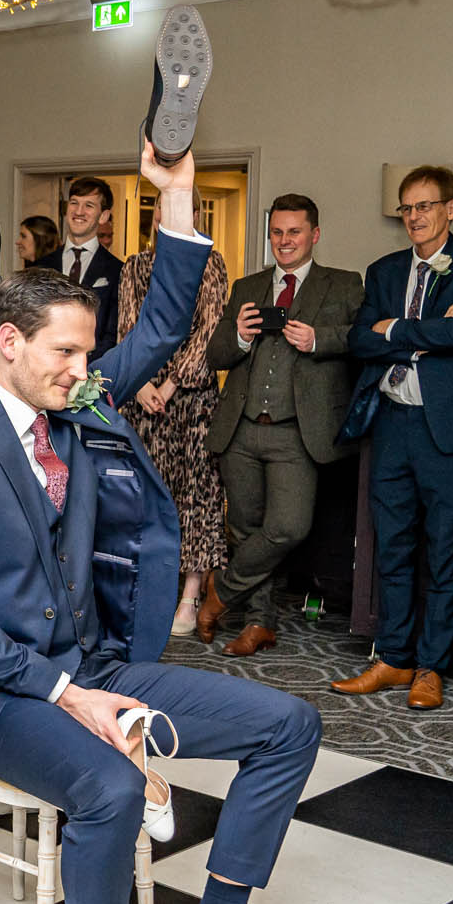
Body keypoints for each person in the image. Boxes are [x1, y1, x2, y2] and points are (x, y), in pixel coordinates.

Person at [0, 138, 321, 904]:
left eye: (88, 353)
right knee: (108, 787)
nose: (82, 368)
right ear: (9, 342)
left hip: (90, 664)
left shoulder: (78, 402)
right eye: (66, 351)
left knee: (289, 725)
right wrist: (66, 695)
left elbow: (166, 322)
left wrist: (175, 197)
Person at [332, 167, 453, 710]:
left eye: (424, 206)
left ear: (451, 208)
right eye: (406, 208)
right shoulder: (384, 270)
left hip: (448, 430)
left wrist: (393, 329)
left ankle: (432, 667)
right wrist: (418, 336)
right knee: (393, 548)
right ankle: (394, 657)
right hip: (391, 424)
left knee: (445, 552)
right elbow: (359, 341)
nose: (414, 217)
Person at [196, 194, 364, 655]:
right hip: (242, 426)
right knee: (245, 529)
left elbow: (362, 339)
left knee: (288, 527)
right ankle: (259, 623)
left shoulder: (344, 284)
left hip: (297, 431)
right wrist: (239, 336)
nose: (284, 241)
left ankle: (220, 591)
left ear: (315, 234)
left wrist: (319, 339)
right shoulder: (247, 286)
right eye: (277, 232)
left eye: (294, 232)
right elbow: (215, 355)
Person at [114, 237, 231, 636]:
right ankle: (149, 589)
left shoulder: (210, 264)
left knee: (197, 493)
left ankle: (191, 594)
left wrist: (171, 384)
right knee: (144, 495)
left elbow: (209, 329)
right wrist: (140, 382)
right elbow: (128, 327)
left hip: (193, 399)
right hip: (143, 396)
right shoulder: (134, 266)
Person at [35, 176, 124, 359]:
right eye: (74, 203)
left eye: (89, 205)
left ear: (104, 216)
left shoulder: (118, 270)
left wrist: (84, 368)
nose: (79, 211)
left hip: (92, 369)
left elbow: (112, 334)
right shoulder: (41, 265)